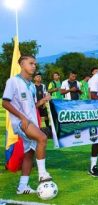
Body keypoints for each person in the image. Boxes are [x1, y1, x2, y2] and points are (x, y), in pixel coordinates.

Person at [2, 55, 52, 194]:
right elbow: (5, 102)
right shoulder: (13, 81)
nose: (34, 66)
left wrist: (43, 101)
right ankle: (42, 174)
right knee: (42, 138)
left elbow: (32, 106)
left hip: (31, 123)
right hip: (21, 123)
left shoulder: (31, 86)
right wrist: (22, 118)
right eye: (31, 63)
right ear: (22, 64)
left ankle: (22, 187)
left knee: (29, 154)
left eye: (35, 64)